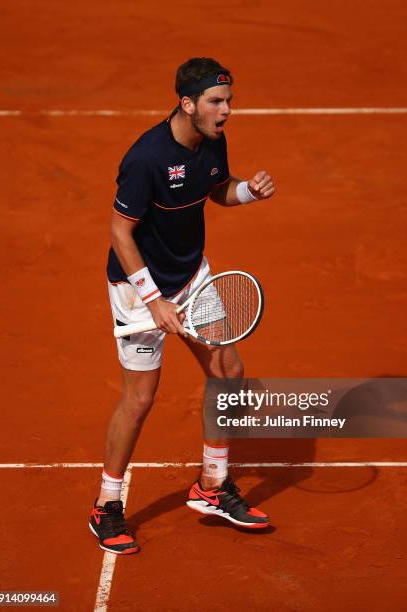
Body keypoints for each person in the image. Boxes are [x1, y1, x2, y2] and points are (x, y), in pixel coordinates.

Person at [89, 57, 275, 554]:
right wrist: (153, 302)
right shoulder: (146, 158)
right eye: (216, 102)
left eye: (229, 100)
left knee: (228, 371)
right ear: (187, 103)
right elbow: (119, 234)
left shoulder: (212, 139)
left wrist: (247, 193)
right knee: (140, 400)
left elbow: (216, 189)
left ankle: (212, 485)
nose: (227, 110)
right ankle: (106, 505)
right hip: (137, 288)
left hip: (191, 277)